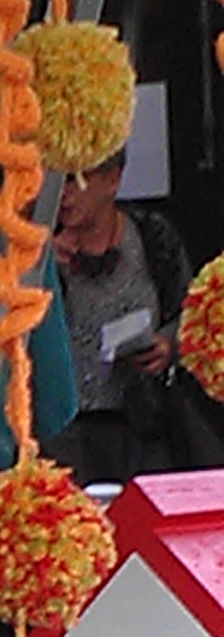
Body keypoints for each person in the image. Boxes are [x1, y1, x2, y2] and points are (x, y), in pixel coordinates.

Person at [49, 156, 194, 485]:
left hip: (141, 422)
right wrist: (40, 267)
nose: (65, 194)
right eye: (58, 180)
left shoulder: (152, 237)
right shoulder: (37, 245)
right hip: (65, 430)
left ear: (111, 180)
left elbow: (187, 312)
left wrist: (167, 344)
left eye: (77, 180)